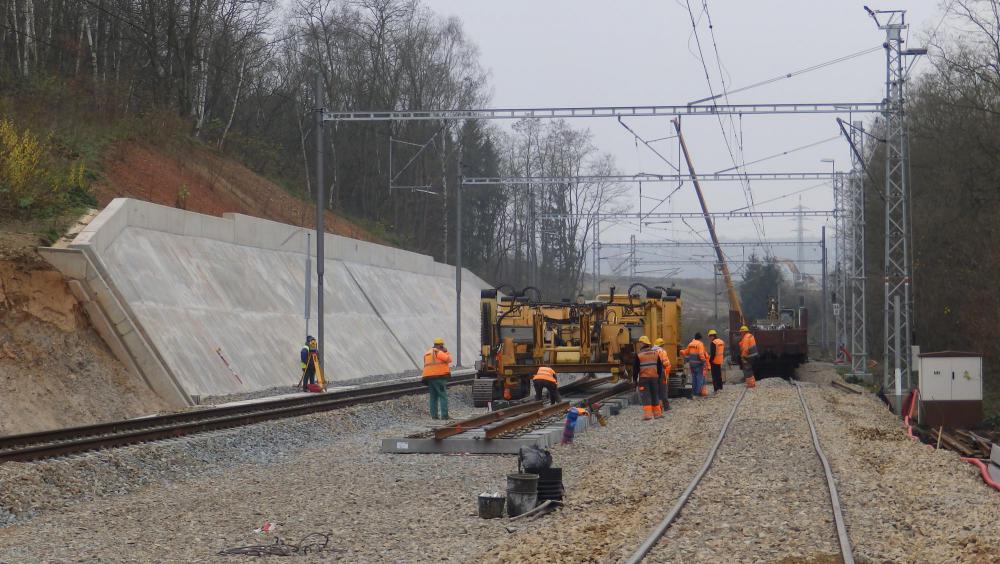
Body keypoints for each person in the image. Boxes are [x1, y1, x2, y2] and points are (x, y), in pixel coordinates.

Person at [632, 336, 664, 420]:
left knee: (646, 395)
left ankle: (648, 415)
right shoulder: (655, 353)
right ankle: (657, 414)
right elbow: (660, 367)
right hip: (654, 378)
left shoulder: (639, 355)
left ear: (643, 343)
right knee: (655, 395)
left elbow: (635, 369)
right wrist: (659, 377)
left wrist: (634, 380)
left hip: (644, 379)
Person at [422, 338, 452, 419]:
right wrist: (446, 352)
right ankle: (445, 416)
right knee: (443, 396)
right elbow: (449, 359)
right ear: (440, 345)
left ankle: (434, 416)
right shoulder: (438, 352)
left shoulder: (427, 353)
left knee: (433, 397)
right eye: (442, 345)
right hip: (439, 377)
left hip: (429, 378)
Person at [682, 333, 709, 398]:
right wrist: (704, 361)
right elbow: (701, 354)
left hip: (692, 364)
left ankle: (693, 392)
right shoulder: (700, 344)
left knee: (694, 378)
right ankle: (697, 393)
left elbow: (686, 352)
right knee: (699, 378)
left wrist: (682, 352)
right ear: (700, 338)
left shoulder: (691, 343)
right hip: (699, 364)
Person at [652, 338, 673, 411]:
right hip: (661, 373)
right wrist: (666, 373)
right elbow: (666, 363)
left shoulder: (651, 351)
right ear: (662, 345)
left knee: (655, 389)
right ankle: (666, 406)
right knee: (663, 389)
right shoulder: (662, 352)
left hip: (652, 373)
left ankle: (657, 407)